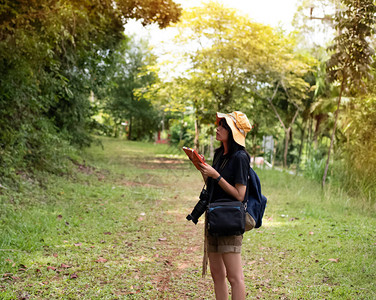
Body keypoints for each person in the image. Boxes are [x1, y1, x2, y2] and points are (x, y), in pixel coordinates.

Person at [199, 111, 252, 300]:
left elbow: (240, 195)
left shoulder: (240, 157)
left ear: (232, 131)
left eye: (222, 125)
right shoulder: (219, 154)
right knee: (217, 274)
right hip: (214, 217)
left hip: (230, 220)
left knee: (234, 277)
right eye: (219, 124)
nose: (217, 128)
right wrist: (204, 169)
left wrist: (216, 175)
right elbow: (213, 186)